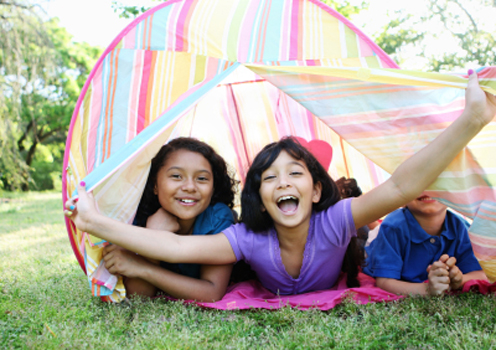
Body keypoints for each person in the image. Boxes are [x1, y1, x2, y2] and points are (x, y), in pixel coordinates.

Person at [65, 71, 496, 296]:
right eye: (269, 178)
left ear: (314, 189)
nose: (283, 182)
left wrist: (472, 120)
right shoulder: (247, 238)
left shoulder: (334, 220)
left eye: (295, 173)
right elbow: (177, 248)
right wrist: (96, 223)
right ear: (261, 199)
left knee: (363, 239)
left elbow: (401, 186)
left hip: (346, 237)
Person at [101, 137, 238, 301]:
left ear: (213, 187)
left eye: (201, 178)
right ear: (155, 185)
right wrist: (154, 234)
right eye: (176, 176)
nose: (189, 187)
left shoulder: (218, 218)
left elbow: (212, 293)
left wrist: (141, 265)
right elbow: (139, 296)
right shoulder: (134, 215)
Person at [363, 193, 487, 296]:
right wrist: (428, 290)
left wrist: (458, 281)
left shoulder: (463, 229)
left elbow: (482, 274)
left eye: (437, 182)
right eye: (420, 181)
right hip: (372, 246)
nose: (428, 188)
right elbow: (384, 281)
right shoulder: (392, 228)